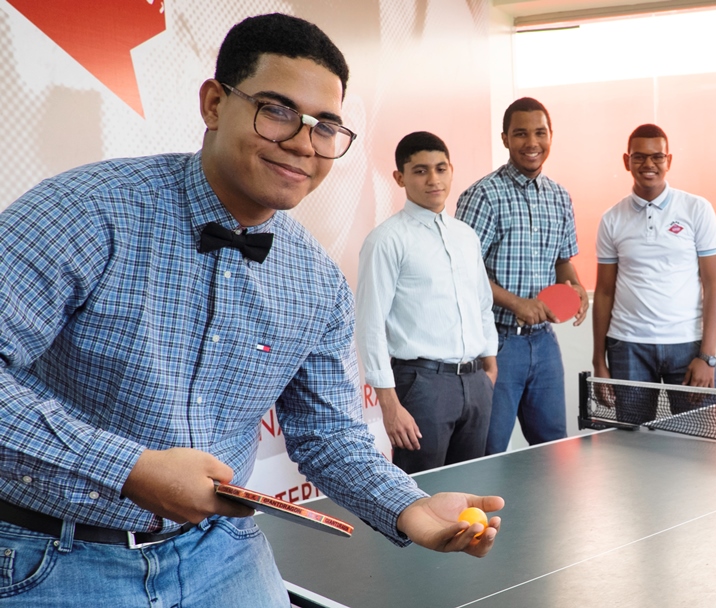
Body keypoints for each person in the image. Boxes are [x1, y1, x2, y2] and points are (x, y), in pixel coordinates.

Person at [0, 14, 500, 607]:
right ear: (214, 103)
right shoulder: (85, 211)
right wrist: (127, 468)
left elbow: (328, 435)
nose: (303, 144)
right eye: (277, 110)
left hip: (223, 553)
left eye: (325, 127)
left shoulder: (317, 281)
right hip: (49, 557)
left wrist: (409, 507)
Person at [356, 132, 497, 474]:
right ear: (399, 178)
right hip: (422, 384)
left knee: (470, 488)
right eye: (420, 171)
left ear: (451, 170)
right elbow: (370, 324)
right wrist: (389, 405)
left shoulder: (466, 236)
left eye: (440, 168)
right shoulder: (386, 240)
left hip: (475, 381)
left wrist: (489, 368)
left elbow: (482, 304)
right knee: (420, 493)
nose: (433, 179)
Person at [455, 97, 588, 454]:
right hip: (496, 344)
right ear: (505, 138)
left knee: (554, 450)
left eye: (540, 133)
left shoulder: (560, 197)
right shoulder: (482, 196)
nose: (532, 142)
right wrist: (517, 304)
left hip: (544, 344)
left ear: (551, 135)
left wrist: (576, 286)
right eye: (521, 133)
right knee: (489, 451)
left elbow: (562, 261)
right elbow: (462, 272)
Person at [591, 124, 716, 424]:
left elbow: (714, 285)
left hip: (688, 347)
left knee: (701, 440)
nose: (648, 164)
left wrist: (707, 356)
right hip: (628, 347)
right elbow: (604, 292)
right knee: (633, 443)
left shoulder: (697, 209)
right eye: (639, 157)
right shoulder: (611, 219)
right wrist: (599, 361)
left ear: (669, 160)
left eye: (657, 157)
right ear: (627, 161)